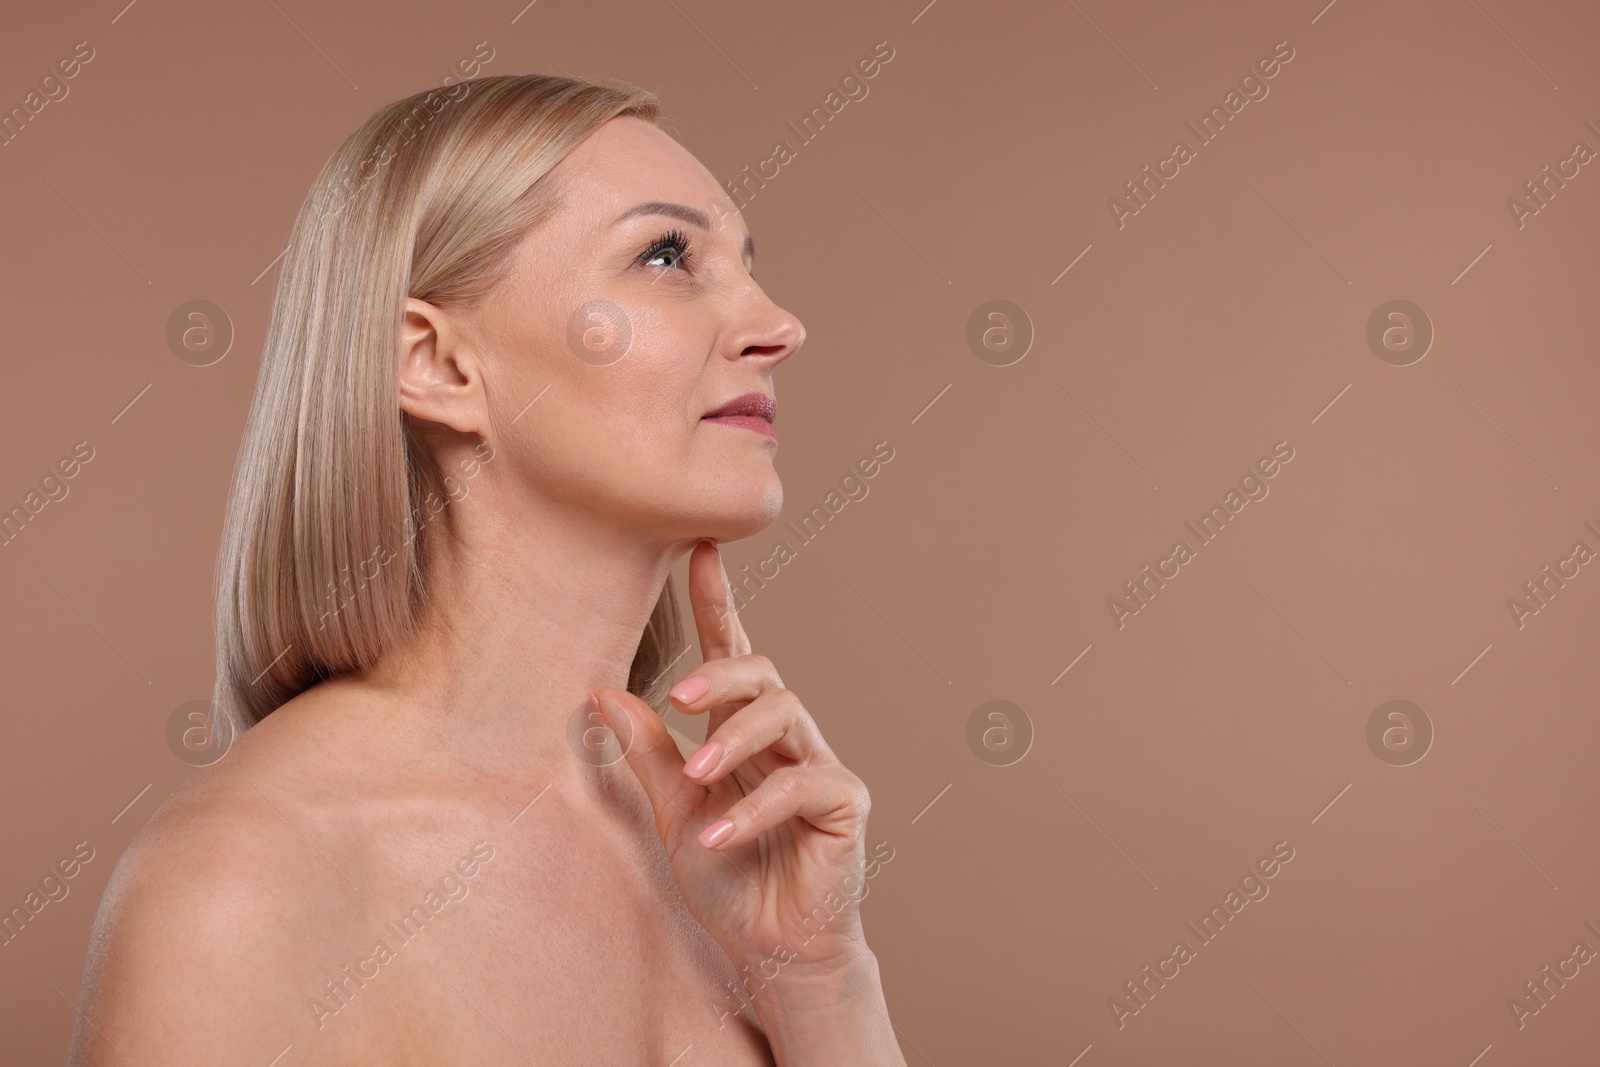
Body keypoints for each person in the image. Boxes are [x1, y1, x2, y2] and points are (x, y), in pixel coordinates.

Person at [69, 74, 906, 1065]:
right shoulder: (238, 889)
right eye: (666, 254)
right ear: (436, 363)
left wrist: (817, 978)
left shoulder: (730, 856)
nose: (778, 325)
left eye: (742, 263)